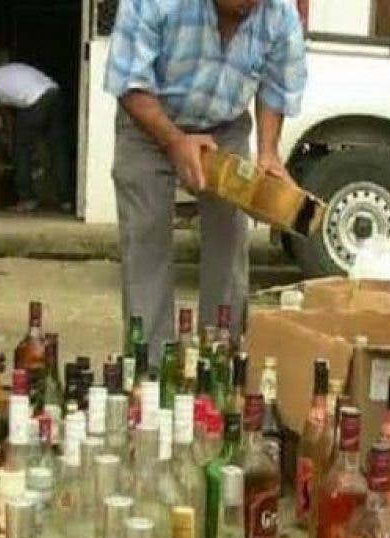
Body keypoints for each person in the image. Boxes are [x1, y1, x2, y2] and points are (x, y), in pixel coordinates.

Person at [104, 0, 307, 364]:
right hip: (147, 122)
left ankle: (218, 362)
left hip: (224, 126)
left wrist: (268, 153)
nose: (251, 5)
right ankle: (152, 370)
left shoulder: (280, 13)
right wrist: (174, 141)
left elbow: (276, 86)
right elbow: (130, 81)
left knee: (230, 240)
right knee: (146, 239)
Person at [0, 62, 73, 213]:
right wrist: (10, 138)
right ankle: (66, 200)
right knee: (58, 148)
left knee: (21, 149)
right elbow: (8, 115)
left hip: (36, 100)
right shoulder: (4, 76)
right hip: (54, 93)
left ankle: (27, 199)